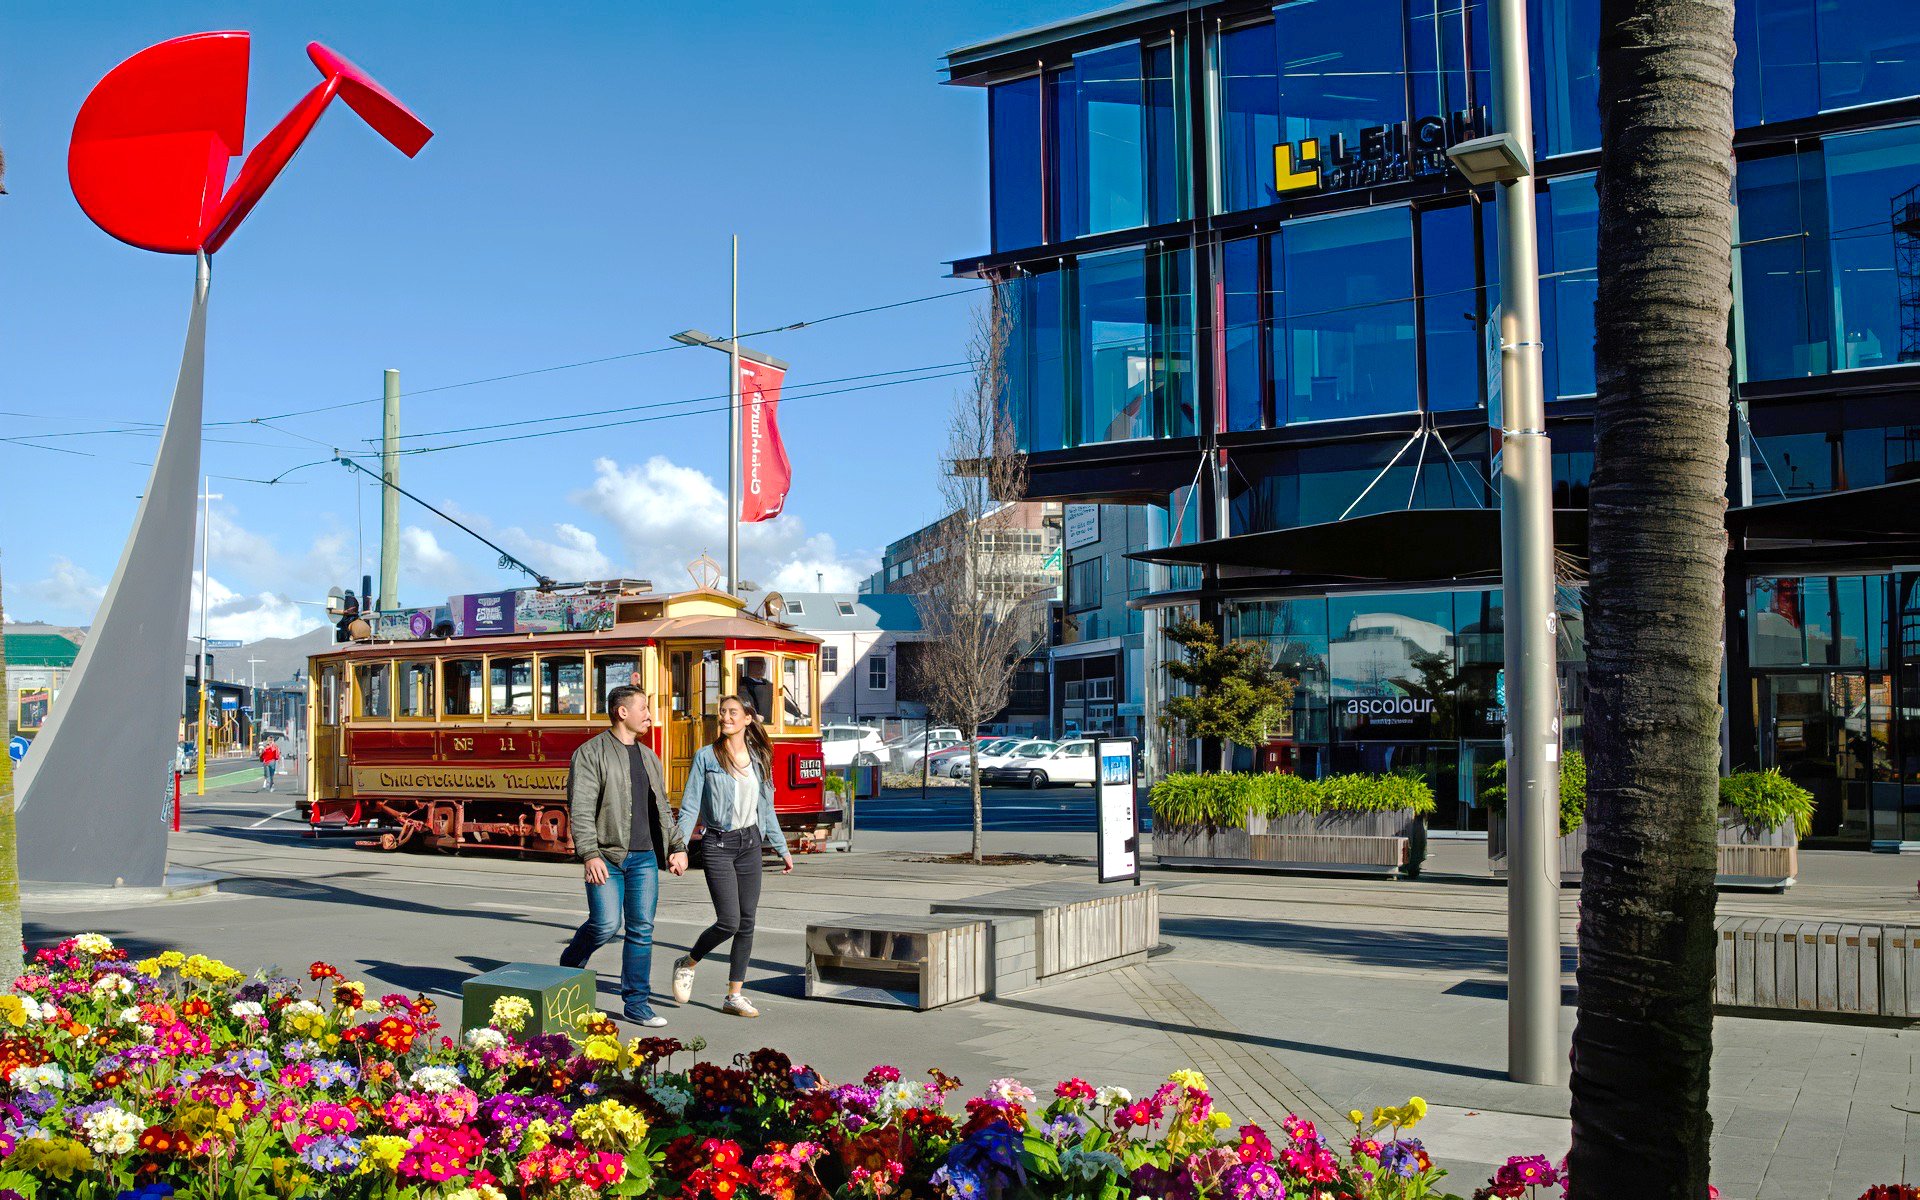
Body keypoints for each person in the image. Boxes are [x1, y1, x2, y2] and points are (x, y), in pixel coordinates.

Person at [560, 685, 687, 1027]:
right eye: (644, 708)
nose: (649, 715)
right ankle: (571, 961)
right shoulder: (591, 753)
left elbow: (661, 807)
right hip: (607, 855)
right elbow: (582, 808)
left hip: (644, 857)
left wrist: (676, 847)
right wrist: (589, 854)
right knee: (605, 924)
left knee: (642, 929)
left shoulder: (649, 757)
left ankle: (636, 1002)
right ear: (622, 712)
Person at [670, 694, 793, 1018]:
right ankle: (688, 962)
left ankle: (734, 995)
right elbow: (690, 807)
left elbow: (766, 809)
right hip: (718, 845)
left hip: (749, 844)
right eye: (722, 712)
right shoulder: (706, 757)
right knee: (729, 921)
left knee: (747, 922)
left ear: (747, 719)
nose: (725, 717)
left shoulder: (759, 757)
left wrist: (782, 848)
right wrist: (679, 848)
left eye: (732, 712)